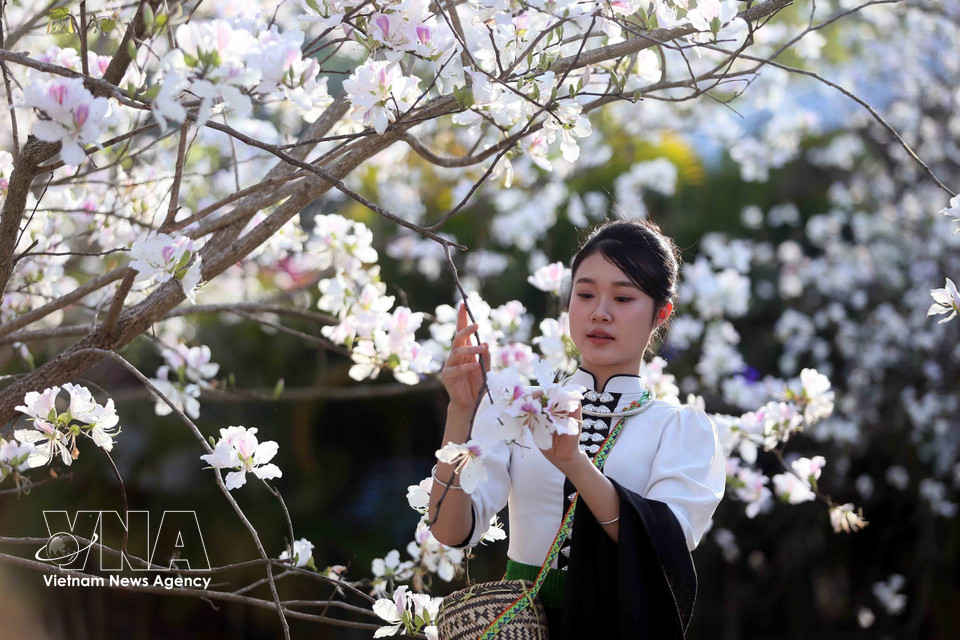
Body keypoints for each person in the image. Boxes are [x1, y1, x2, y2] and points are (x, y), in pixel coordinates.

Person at [429, 218, 726, 639]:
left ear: (661, 313)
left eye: (623, 297)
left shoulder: (680, 430)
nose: (599, 312)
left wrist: (574, 463)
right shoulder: (520, 406)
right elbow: (450, 530)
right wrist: (460, 412)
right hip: (522, 628)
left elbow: (663, 547)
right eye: (585, 294)